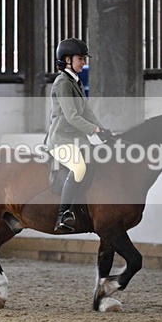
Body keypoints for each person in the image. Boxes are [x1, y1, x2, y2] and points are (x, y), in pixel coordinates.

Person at [45, 38, 114, 232]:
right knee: (79, 167)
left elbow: (87, 112)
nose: (84, 62)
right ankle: (63, 214)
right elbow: (72, 116)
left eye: (84, 59)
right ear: (67, 60)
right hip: (61, 139)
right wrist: (94, 130)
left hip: (77, 140)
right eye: (80, 58)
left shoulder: (75, 81)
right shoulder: (62, 83)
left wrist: (103, 130)